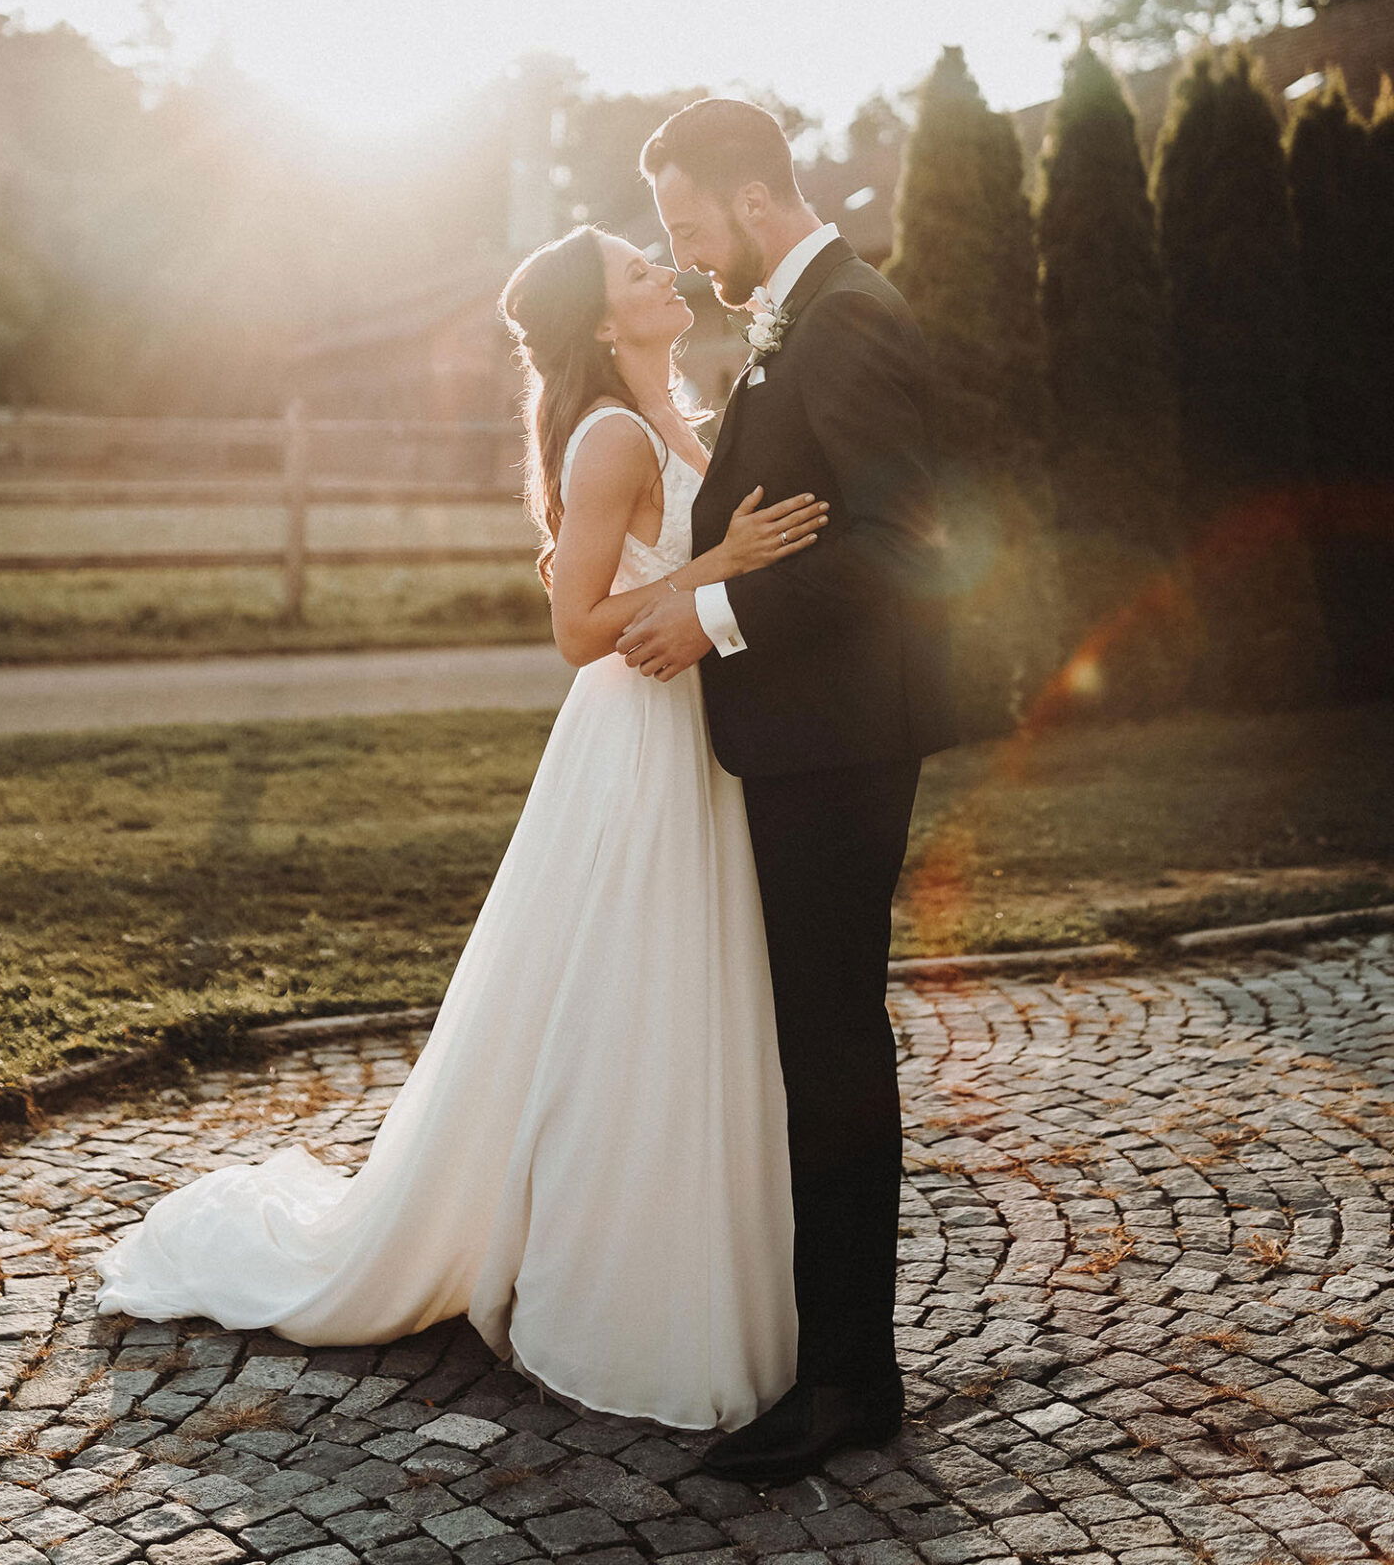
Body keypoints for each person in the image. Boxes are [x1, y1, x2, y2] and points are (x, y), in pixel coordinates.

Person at [93, 223, 831, 1435]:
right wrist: (724, 570)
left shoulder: (675, 408)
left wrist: (734, 566)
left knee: (676, 994)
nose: (665, 274)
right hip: (637, 735)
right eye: (638, 271)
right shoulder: (609, 436)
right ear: (602, 322)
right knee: (633, 992)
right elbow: (581, 628)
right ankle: (616, 1286)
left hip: (702, 729)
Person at [618, 97, 958, 1483]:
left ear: (757, 199)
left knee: (829, 1045)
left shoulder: (847, 319)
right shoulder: (796, 324)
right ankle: (837, 1365)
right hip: (807, 739)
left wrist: (718, 621)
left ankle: (847, 1385)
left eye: (689, 225)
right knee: (813, 1039)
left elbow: (900, 544)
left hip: (840, 739)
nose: (688, 256)